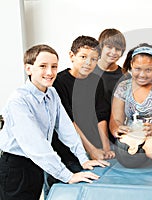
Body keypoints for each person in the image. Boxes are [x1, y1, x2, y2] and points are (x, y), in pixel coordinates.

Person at [0, 44, 109, 200]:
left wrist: (83, 159)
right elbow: (36, 145)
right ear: (29, 69)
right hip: (16, 167)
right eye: (43, 66)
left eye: (54, 67)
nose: (50, 72)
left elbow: (66, 129)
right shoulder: (18, 101)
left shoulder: (51, 93)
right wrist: (67, 176)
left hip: (37, 165)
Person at [45, 36, 111, 196]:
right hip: (64, 152)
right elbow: (68, 123)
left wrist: (105, 146)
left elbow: (101, 116)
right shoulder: (58, 82)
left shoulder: (96, 81)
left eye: (94, 59)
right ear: (71, 56)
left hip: (89, 151)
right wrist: (92, 150)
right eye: (83, 57)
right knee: (63, 193)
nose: (88, 63)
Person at [93, 28, 126, 149]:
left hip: (115, 135)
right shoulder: (89, 71)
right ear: (101, 47)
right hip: (93, 135)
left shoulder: (124, 76)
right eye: (109, 47)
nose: (113, 52)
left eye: (117, 49)